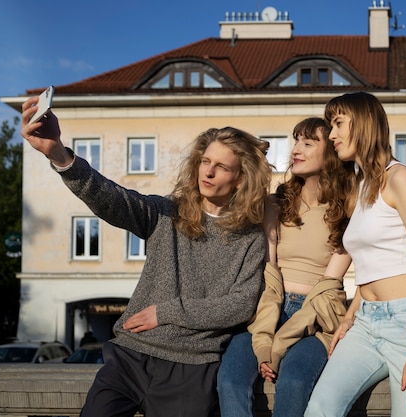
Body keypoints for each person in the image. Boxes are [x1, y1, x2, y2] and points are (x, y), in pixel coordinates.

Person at [20, 95, 272, 417]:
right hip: (130, 355)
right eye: (205, 161)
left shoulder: (249, 237)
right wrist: (59, 154)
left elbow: (239, 305)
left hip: (192, 367)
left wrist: (166, 312)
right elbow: (113, 200)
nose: (207, 172)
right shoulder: (167, 213)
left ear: (240, 178)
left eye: (221, 166)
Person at [304, 92, 406, 417]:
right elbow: (372, 266)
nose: (331, 135)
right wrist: (349, 315)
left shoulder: (400, 178)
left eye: (338, 123)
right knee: (319, 410)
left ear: (365, 124)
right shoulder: (359, 187)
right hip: (365, 323)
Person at [217, 117, 355, 417]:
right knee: (229, 380)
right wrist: (266, 341)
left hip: (316, 322)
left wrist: (277, 347)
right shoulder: (276, 204)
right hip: (266, 312)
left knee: (293, 382)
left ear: (330, 152)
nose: (296, 149)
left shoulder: (347, 212)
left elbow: (325, 294)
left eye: (308, 143)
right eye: (295, 141)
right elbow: (270, 279)